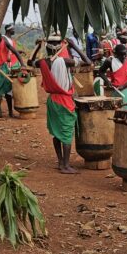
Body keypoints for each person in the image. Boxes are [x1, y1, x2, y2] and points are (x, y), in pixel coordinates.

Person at [28, 38, 83, 173]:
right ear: (59, 49)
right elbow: (87, 62)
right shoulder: (64, 61)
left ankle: (60, 162)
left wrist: (37, 47)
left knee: (57, 133)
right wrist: (74, 46)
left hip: (52, 100)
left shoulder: (43, 62)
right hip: (64, 100)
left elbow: (30, 62)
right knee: (66, 133)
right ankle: (65, 166)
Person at [97, 42, 127, 110]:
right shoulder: (109, 61)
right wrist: (107, 81)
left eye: (125, 55)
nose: (124, 57)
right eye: (121, 55)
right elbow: (100, 72)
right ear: (115, 55)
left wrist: (124, 86)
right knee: (118, 114)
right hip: (116, 91)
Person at [0, 24, 26, 118]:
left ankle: (10, 111)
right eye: (13, 29)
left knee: (8, 89)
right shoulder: (3, 39)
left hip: (7, 65)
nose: (14, 30)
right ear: (9, 30)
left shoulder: (7, 41)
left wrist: (22, 63)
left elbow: (13, 51)